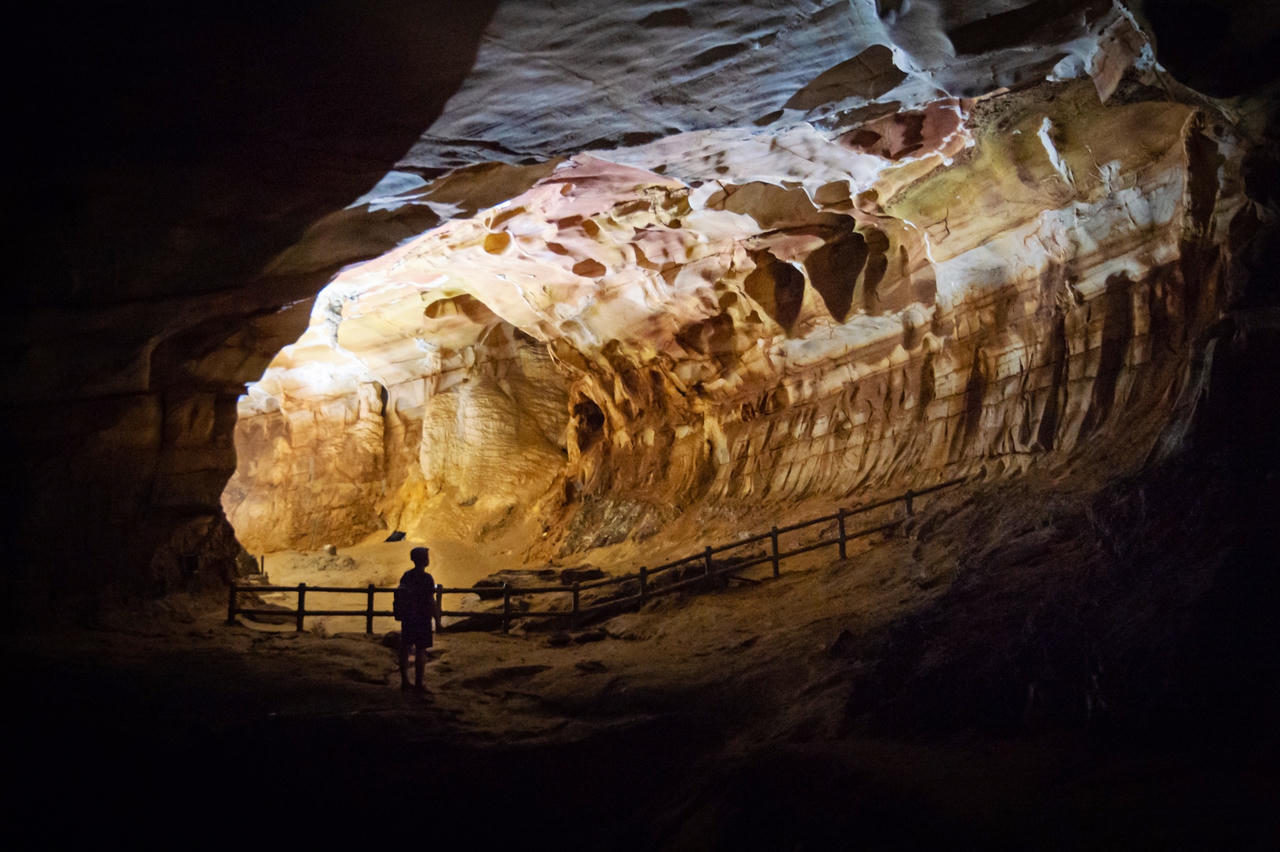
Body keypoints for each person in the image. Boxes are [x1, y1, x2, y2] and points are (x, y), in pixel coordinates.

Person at [393, 546, 438, 691]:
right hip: (422, 618)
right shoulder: (427, 578)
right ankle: (419, 683)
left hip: (409, 617)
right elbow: (430, 600)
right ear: (424, 559)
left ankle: (405, 681)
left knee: (405, 649)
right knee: (420, 650)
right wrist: (437, 619)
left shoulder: (407, 576)